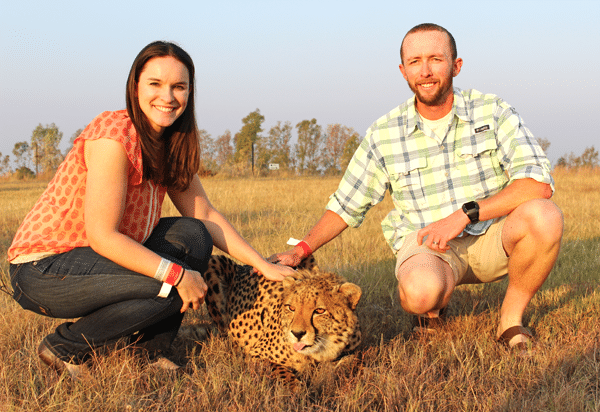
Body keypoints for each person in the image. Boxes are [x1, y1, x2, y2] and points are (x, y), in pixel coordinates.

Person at [7, 41, 295, 379]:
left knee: (194, 235)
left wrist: (261, 263)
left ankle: (147, 352)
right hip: (45, 267)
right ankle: (65, 346)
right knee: (173, 285)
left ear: (189, 93)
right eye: (155, 84)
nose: (168, 97)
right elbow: (103, 236)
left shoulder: (169, 144)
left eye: (179, 87)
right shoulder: (113, 135)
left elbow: (205, 215)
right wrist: (177, 275)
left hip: (97, 257)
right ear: (135, 87)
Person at [272, 23, 563, 353]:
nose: (425, 71)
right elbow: (346, 204)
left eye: (436, 59)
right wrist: (301, 250)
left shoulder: (493, 111)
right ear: (403, 70)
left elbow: (537, 185)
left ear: (456, 65)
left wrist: (464, 215)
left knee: (544, 216)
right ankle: (430, 312)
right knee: (421, 291)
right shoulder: (384, 133)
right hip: (428, 245)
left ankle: (510, 321)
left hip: (493, 236)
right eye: (415, 62)